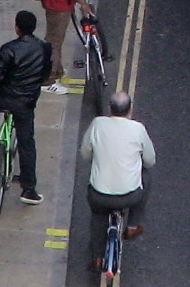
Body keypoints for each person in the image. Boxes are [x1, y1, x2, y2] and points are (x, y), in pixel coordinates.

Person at [0, 11, 51, 205]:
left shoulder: (9, 49)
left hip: (5, 98)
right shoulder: (44, 48)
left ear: (17, 27)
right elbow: (45, 74)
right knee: (27, 143)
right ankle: (29, 189)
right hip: (26, 103)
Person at [81, 91, 156, 272]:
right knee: (145, 175)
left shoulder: (97, 124)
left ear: (110, 108)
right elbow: (150, 161)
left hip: (99, 195)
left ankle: (97, 258)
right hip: (130, 196)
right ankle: (132, 225)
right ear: (130, 109)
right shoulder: (138, 129)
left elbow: (85, 154)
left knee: (98, 216)